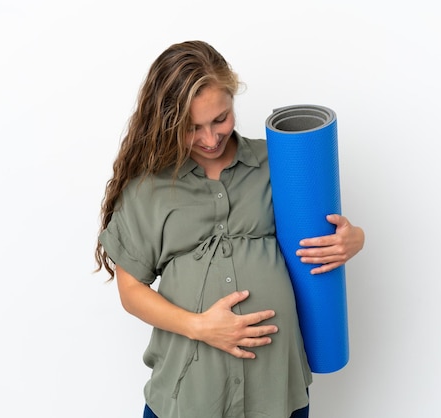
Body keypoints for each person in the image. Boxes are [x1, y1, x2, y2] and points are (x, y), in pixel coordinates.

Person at [95, 40, 365, 418]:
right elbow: (130, 291)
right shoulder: (147, 190)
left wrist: (354, 239)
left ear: (233, 96)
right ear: (168, 122)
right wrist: (202, 327)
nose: (210, 139)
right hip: (190, 396)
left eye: (220, 119)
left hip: (276, 392)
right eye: (192, 128)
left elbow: (323, 237)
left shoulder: (281, 165)